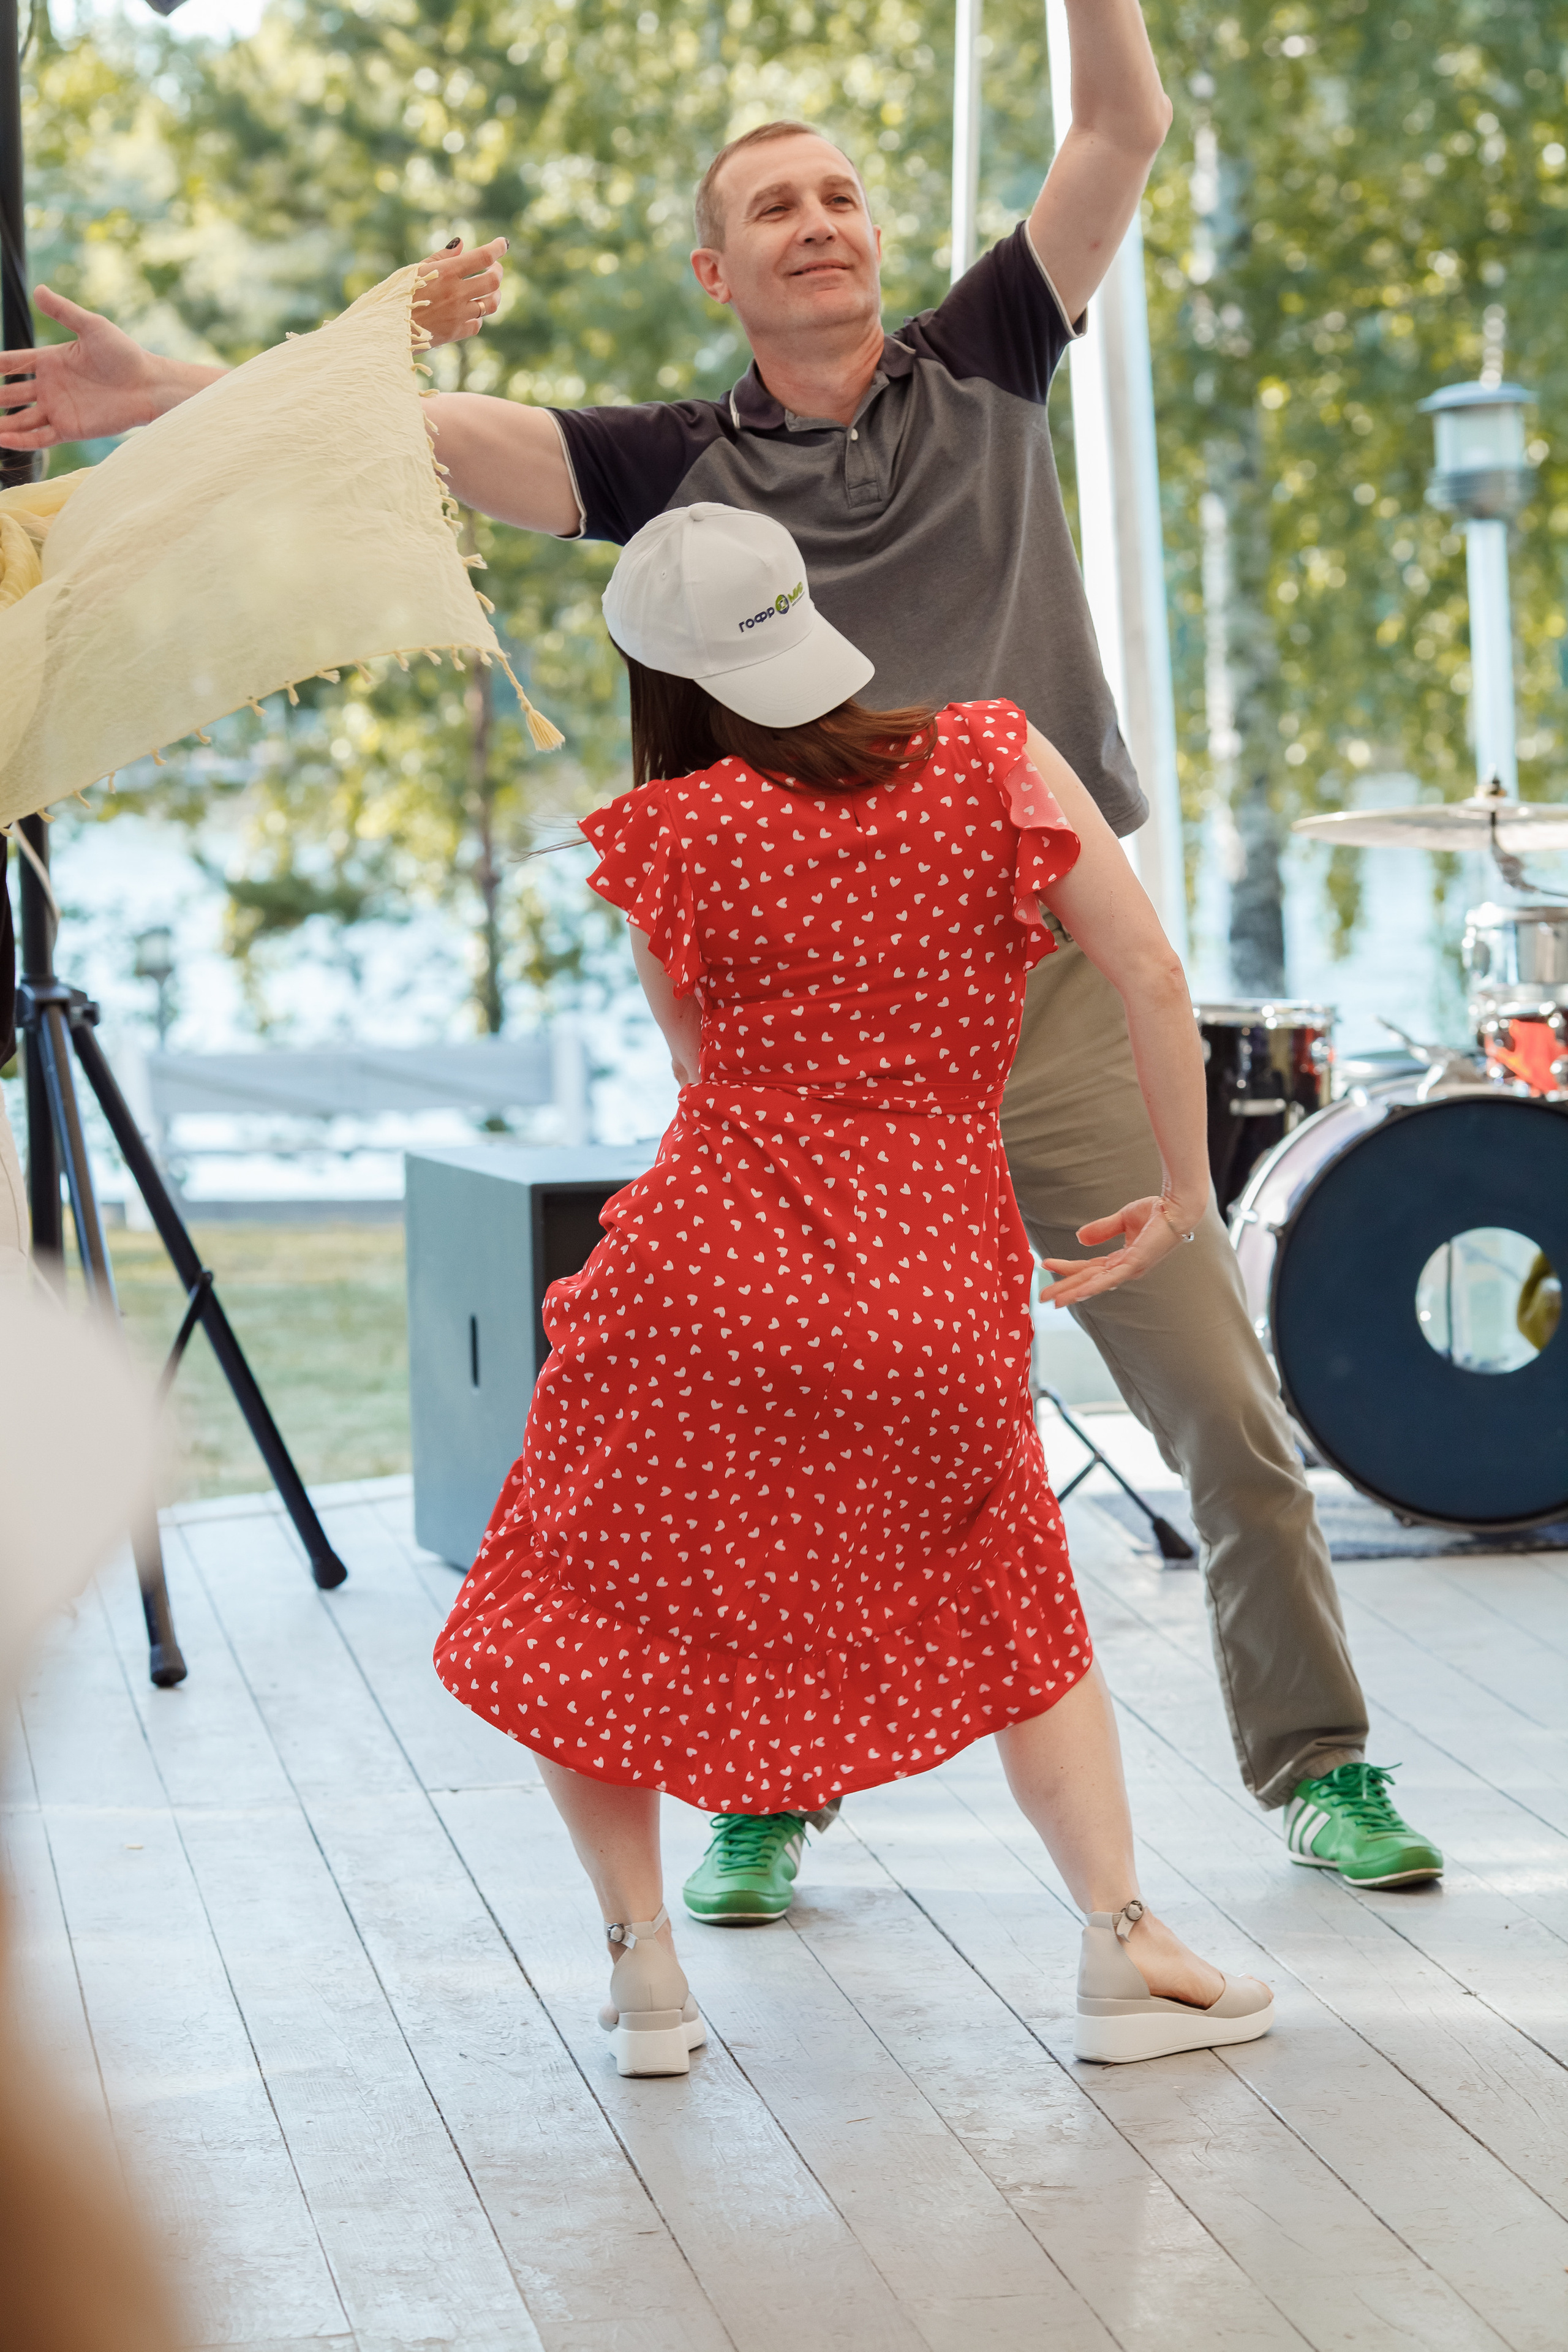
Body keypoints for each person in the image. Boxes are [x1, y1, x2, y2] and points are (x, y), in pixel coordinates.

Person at [0, 0, 1442, 1904]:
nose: (822, 219)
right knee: (781, 1439)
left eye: (842, 192)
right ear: (720, 267)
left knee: (1218, 1405)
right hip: (824, 1053)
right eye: (777, 204)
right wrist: (157, 391)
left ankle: (1319, 1762)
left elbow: (1119, 120)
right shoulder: (671, 468)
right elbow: (405, 423)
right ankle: (769, 1784)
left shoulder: (994, 356)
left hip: (1052, 989)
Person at [436, 498, 1275, 2070]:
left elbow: (702, 1072)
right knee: (1015, 1593)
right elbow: (1149, 972)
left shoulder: (670, 835)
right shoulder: (989, 758)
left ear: (662, 673)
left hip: (710, 1270)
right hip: (927, 1266)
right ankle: (1118, 1951)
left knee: (584, 1606)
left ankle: (644, 1984)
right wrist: (1179, 1195)